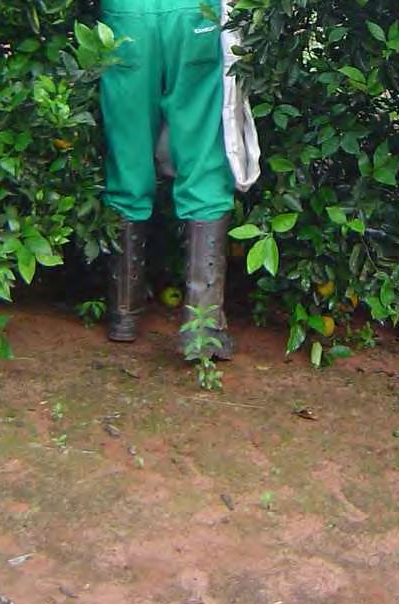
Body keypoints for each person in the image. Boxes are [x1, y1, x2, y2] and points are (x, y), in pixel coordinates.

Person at [100, 0, 241, 359]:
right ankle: (203, 326)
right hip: (194, 14)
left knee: (128, 153)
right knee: (203, 154)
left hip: (125, 14)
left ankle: (124, 312)